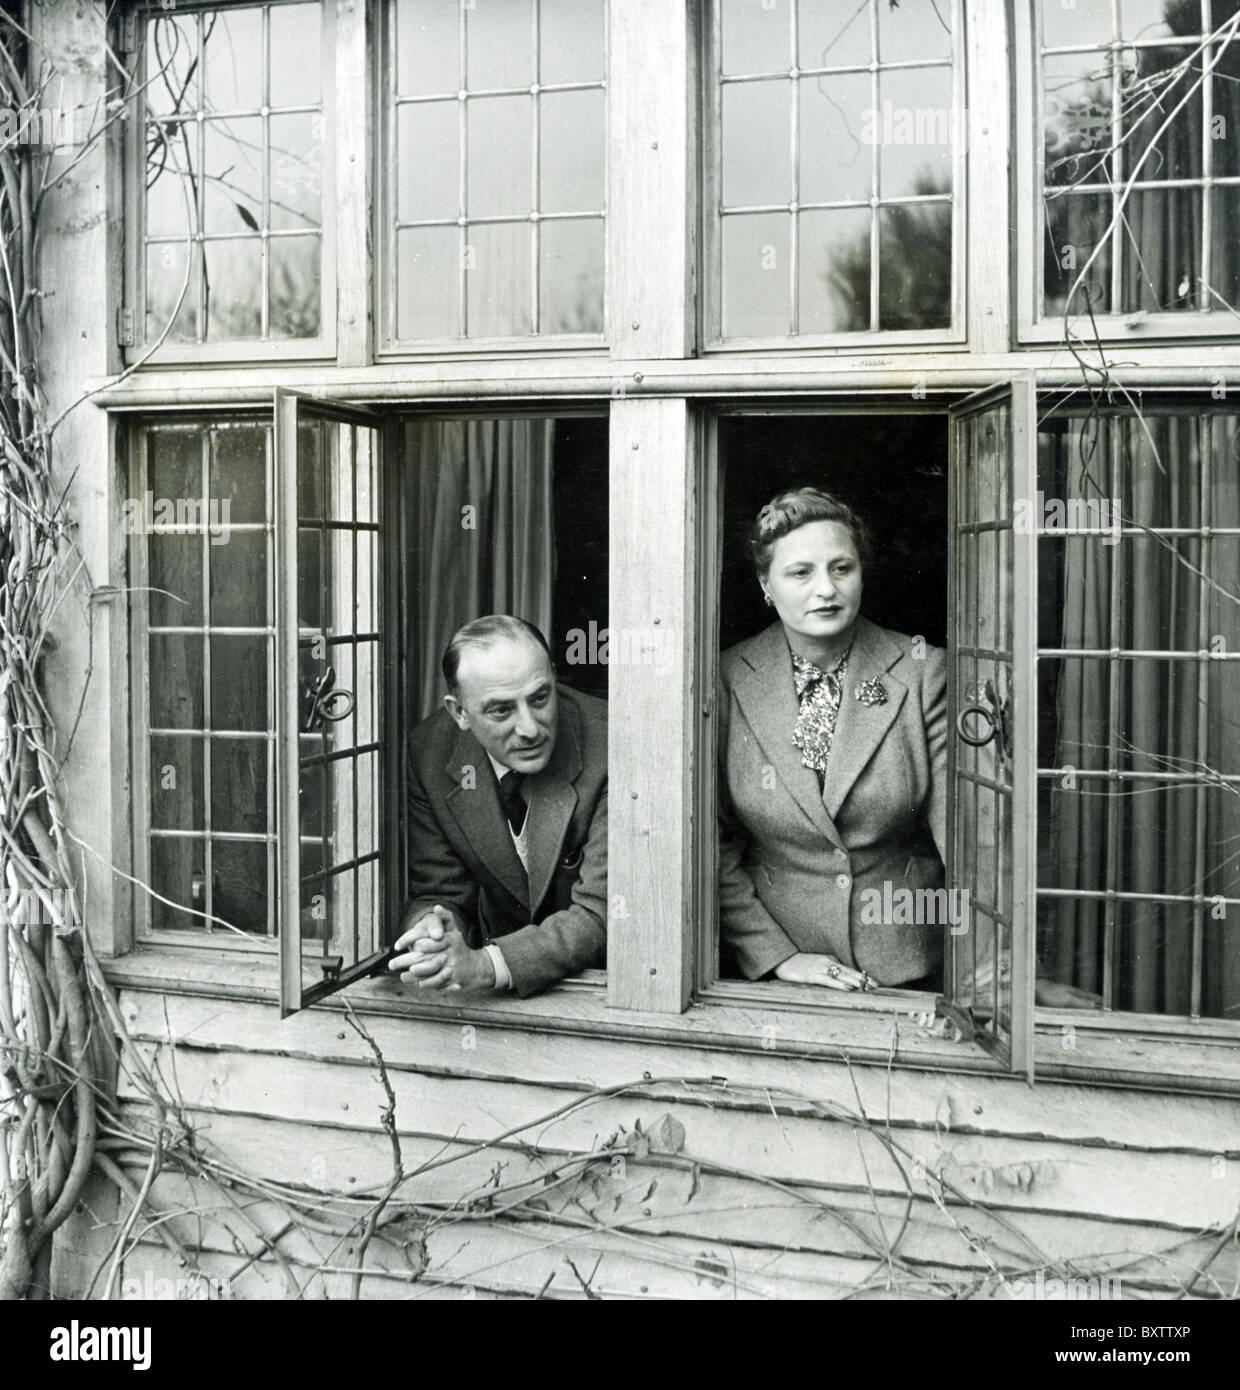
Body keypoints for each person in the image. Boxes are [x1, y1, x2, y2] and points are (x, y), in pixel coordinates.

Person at [718, 487, 947, 991]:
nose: (826, 589)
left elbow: (971, 837)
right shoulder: (728, 677)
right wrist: (775, 955)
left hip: (906, 964)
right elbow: (709, 842)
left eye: (841, 568)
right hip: (776, 972)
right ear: (765, 584)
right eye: (800, 573)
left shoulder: (921, 671)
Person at [388, 615, 608, 997]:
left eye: (540, 698)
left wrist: (487, 965)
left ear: (554, 677)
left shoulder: (613, 742)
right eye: (501, 710)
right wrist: (432, 929)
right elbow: (439, 888)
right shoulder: (428, 754)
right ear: (459, 712)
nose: (530, 728)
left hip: (599, 992)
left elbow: (602, 912)